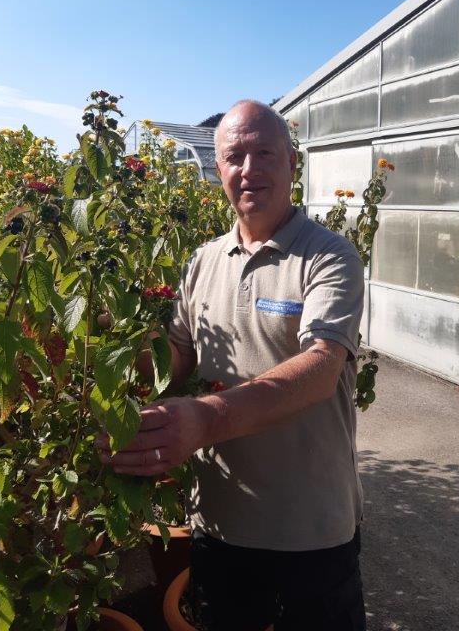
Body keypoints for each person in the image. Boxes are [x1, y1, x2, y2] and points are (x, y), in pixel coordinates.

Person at [100, 100, 366, 630]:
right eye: (234, 157)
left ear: (292, 162)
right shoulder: (203, 261)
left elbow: (320, 368)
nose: (249, 169)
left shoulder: (328, 256)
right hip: (219, 521)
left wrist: (206, 417)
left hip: (311, 529)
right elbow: (177, 351)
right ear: (217, 170)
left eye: (264, 153)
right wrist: (111, 365)